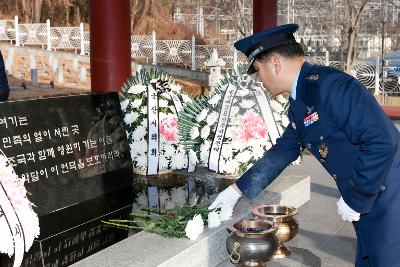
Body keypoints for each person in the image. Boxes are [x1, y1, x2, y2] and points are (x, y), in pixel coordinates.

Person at [209, 24, 400, 266]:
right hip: (373, 204)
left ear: (275, 64)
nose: (260, 80)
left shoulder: (332, 87)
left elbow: (383, 140)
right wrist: (234, 191)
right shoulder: (302, 100)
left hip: (389, 203)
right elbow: (283, 151)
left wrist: (356, 196)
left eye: (258, 71)